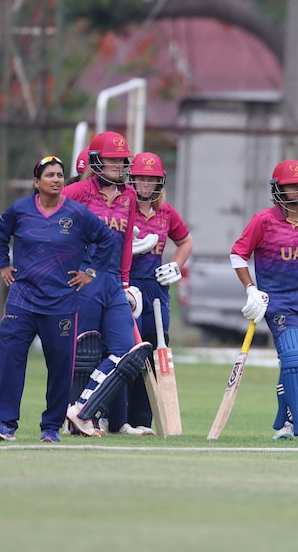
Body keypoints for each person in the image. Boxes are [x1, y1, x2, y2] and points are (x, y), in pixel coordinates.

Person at [0, 156, 117, 443]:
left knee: (59, 365)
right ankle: (5, 424)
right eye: (50, 175)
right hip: (22, 299)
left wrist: (90, 271)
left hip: (61, 302)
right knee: (10, 358)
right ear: (36, 182)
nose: (57, 179)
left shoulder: (78, 214)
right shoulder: (20, 210)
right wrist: (3, 264)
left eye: (59, 175)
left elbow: (106, 238)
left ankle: (50, 427)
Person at [231, 159, 298, 441]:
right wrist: (251, 289)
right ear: (278, 189)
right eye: (291, 186)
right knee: (295, 357)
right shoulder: (263, 221)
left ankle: (286, 423)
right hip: (278, 301)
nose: (297, 191)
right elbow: (238, 254)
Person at [62, 131, 155, 436]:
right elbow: (49, 220)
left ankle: (82, 410)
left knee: (126, 351)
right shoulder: (77, 191)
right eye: (113, 159)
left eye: (122, 160)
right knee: (83, 352)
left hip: (113, 281)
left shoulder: (128, 195)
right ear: (97, 161)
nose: (119, 164)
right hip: (84, 279)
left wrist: (127, 282)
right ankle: (68, 415)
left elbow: (127, 241)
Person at [123, 152, 193, 433]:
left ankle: (142, 420)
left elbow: (186, 241)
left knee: (152, 352)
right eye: (141, 179)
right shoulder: (125, 207)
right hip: (129, 285)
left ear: (159, 182)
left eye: (151, 180)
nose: (145, 185)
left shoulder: (166, 212)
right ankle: (119, 417)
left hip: (156, 290)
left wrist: (175, 266)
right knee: (127, 352)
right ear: (133, 180)